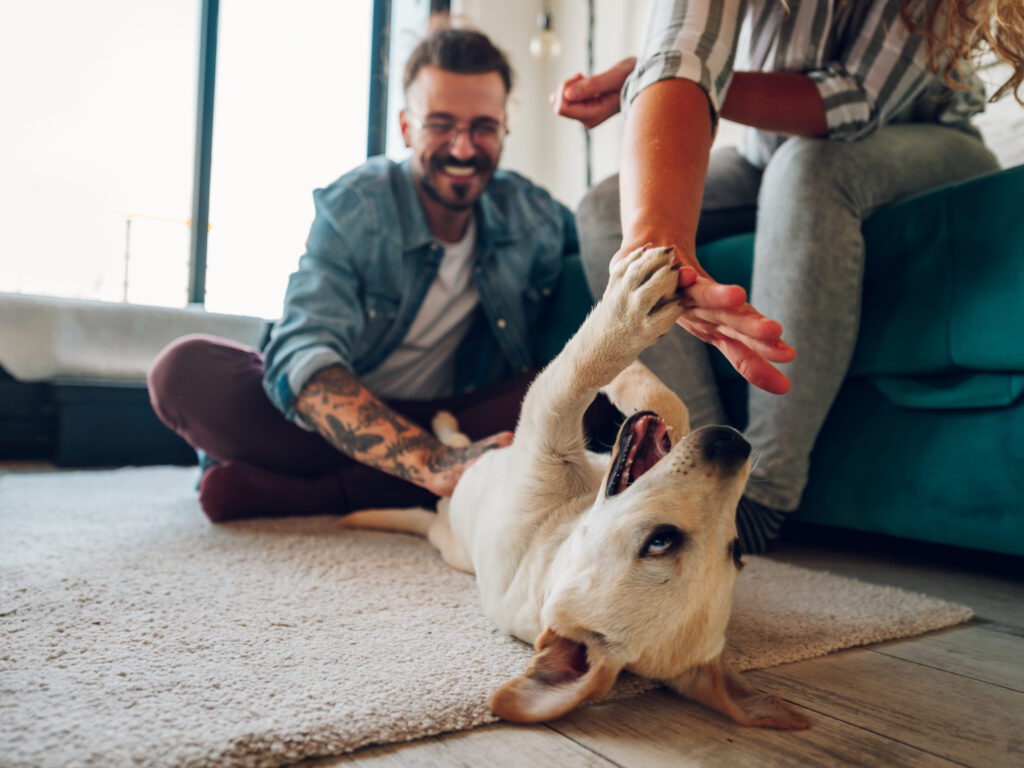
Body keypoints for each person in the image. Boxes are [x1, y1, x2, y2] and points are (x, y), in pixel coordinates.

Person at [554, 0, 1022, 553]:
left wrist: (678, 74)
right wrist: (656, 234)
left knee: (805, 170)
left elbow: (850, 99)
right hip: (769, 152)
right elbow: (680, 50)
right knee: (606, 207)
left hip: (924, 140)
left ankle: (766, 494)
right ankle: (700, 470)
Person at [148, 21, 588, 522]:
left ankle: (314, 496)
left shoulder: (533, 215)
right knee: (182, 371)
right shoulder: (357, 205)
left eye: (483, 127)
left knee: (589, 392)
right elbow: (302, 354)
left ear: (505, 126)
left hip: (454, 418)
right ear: (405, 127)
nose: (463, 149)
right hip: (331, 420)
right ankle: (408, 485)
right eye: (441, 124)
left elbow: (610, 262)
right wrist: (431, 461)